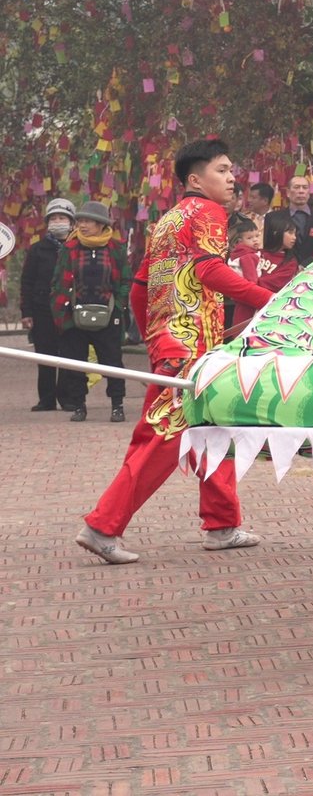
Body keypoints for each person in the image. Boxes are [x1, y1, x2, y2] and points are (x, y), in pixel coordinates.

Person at [75, 138, 273, 566]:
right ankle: (102, 526)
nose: (232, 177)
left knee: (212, 429)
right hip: (188, 349)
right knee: (166, 440)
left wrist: (153, 338)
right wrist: (268, 299)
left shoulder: (168, 220)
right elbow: (210, 270)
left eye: (231, 169)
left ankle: (222, 525)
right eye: (222, 170)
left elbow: (141, 287)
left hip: (173, 343)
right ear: (196, 179)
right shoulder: (208, 212)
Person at [52, 202, 129, 423]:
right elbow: (58, 281)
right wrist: (60, 313)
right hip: (75, 316)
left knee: (113, 362)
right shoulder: (69, 248)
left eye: (87, 221)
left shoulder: (116, 248)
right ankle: (79, 405)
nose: (82, 225)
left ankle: (117, 405)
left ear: (100, 223)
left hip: (108, 315)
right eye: (80, 221)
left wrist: (119, 307)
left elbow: (125, 280)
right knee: (76, 363)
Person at [20, 198, 75, 411]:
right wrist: (27, 312)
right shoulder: (37, 250)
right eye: (53, 218)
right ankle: (46, 399)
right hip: (42, 309)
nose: (57, 221)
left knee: (69, 355)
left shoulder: (76, 248)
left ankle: (68, 398)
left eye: (62, 217)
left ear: (71, 222)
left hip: (69, 309)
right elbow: (27, 282)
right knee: (45, 354)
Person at [224, 216, 266, 335]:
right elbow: (251, 279)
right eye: (250, 238)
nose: (255, 240)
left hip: (239, 295)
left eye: (257, 236)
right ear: (239, 242)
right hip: (249, 297)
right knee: (245, 324)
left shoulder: (238, 254)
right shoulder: (248, 256)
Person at [283, 176, 313, 265]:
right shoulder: (274, 218)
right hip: (283, 268)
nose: (301, 191)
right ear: (288, 192)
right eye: (296, 187)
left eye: (305, 187)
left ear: (309, 192)